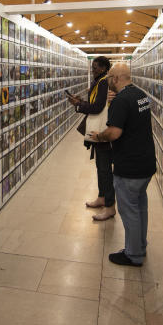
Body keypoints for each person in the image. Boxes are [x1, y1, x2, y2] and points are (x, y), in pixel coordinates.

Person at [88, 63, 156, 266]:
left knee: (129, 211)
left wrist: (99, 136)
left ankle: (133, 254)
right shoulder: (141, 95)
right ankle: (140, 245)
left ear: (116, 78)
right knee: (140, 207)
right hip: (145, 164)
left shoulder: (122, 100)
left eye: (109, 78)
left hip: (129, 166)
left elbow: (114, 132)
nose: (108, 82)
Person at [68, 56, 114, 221]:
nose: (92, 70)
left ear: (103, 68)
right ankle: (102, 198)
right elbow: (95, 102)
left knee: (105, 170)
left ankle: (109, 207)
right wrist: (80, 101)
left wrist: (79, 105)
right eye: (92, 67)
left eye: (95, 67)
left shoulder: (103, 82)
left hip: (101, 132)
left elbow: (97, 107)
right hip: (97, 132)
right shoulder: (100, 81)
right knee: (101, 168)